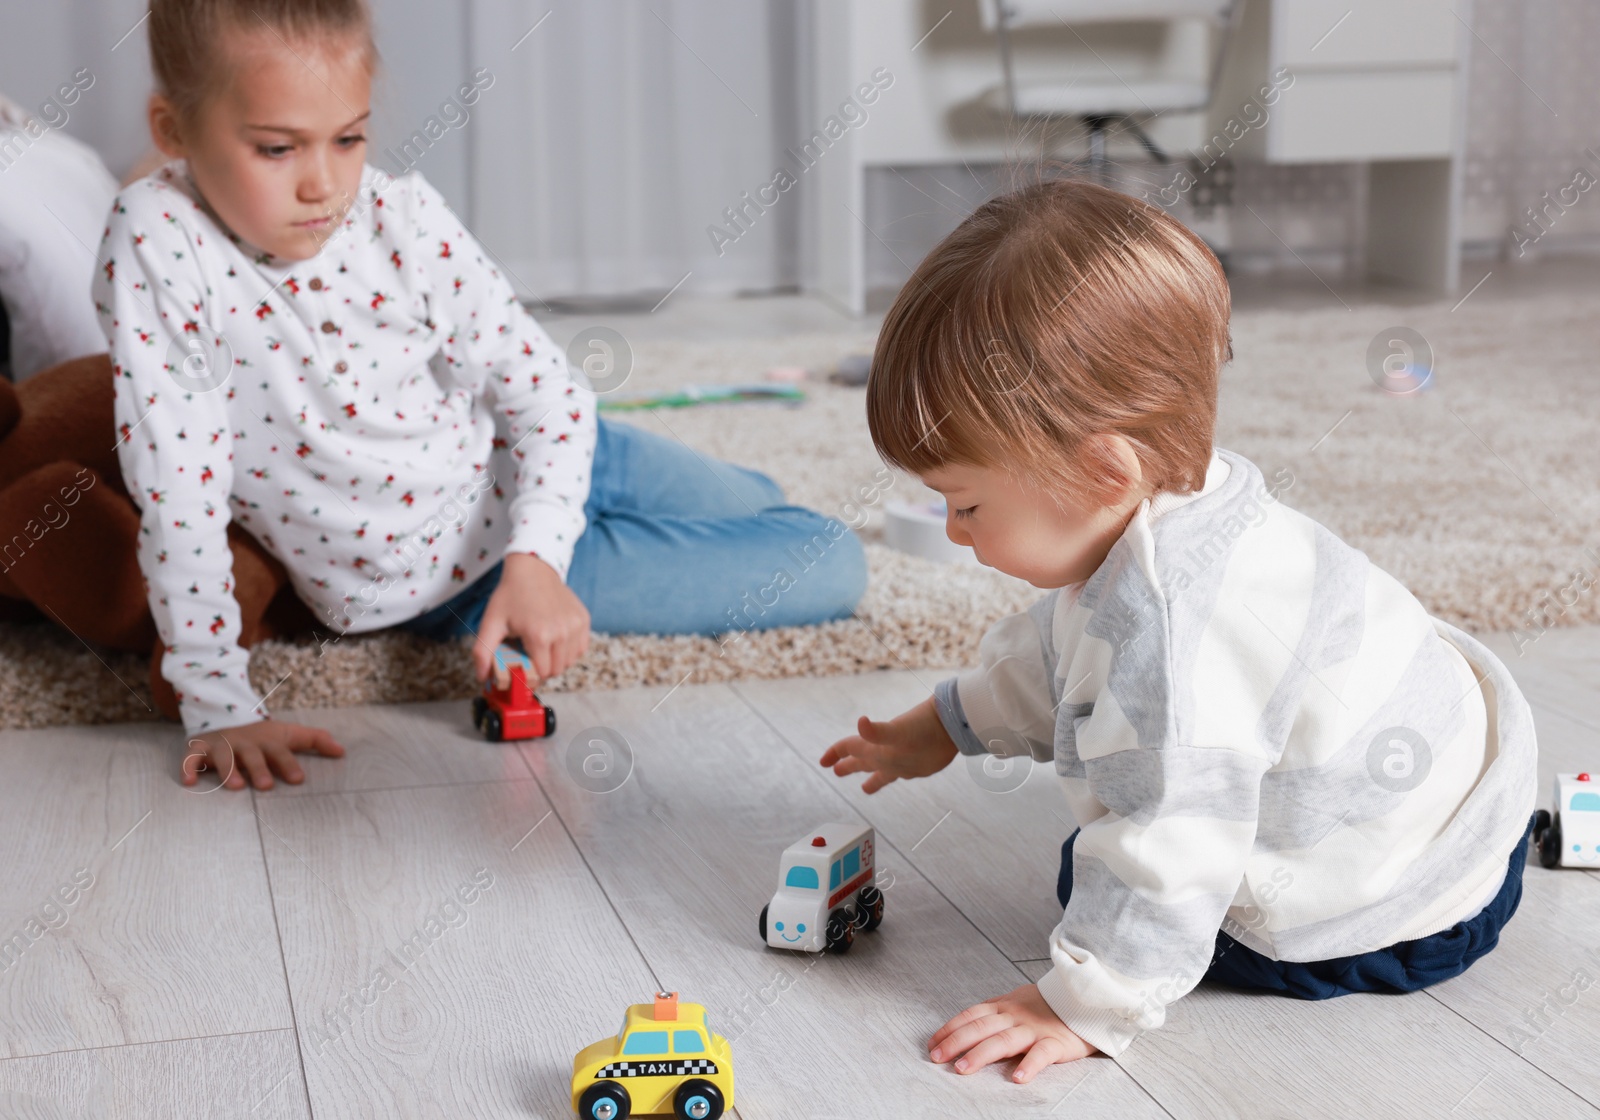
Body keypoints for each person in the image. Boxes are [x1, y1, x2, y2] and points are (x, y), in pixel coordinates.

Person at [820, 177, 1537, 1081]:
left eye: (965, 503)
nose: (954, 530)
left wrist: (1080, 1001)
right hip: (1461, 797)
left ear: (1103, 471)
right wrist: (952, 720)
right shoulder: (1179, 504)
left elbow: (1173, 834)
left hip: (1403, 907)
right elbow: (1063, 646)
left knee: (1097, 877)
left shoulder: (1175, 641)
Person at [98, 0, 865, 791]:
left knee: (762, 501)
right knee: (830, 560)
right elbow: (177, 479)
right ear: (174, 130)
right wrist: (216, 704)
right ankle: (570, 543)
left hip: (560, 462)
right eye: (276, 148)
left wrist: (542, 552)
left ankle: (574, 530)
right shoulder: (157, 237)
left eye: (350, 137)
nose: (323, 183)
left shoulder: (402, 217)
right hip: (467, 578)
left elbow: (548, 396)